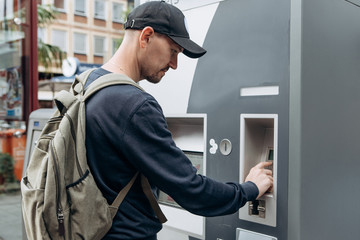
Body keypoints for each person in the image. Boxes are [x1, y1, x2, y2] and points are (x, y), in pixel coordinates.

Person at [84, 1, 273, 239]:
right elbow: (194, 192)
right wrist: (250, 189)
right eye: (173, 51)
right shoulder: (134, 105)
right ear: (146, 37)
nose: (174, 65)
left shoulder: (87, 85)